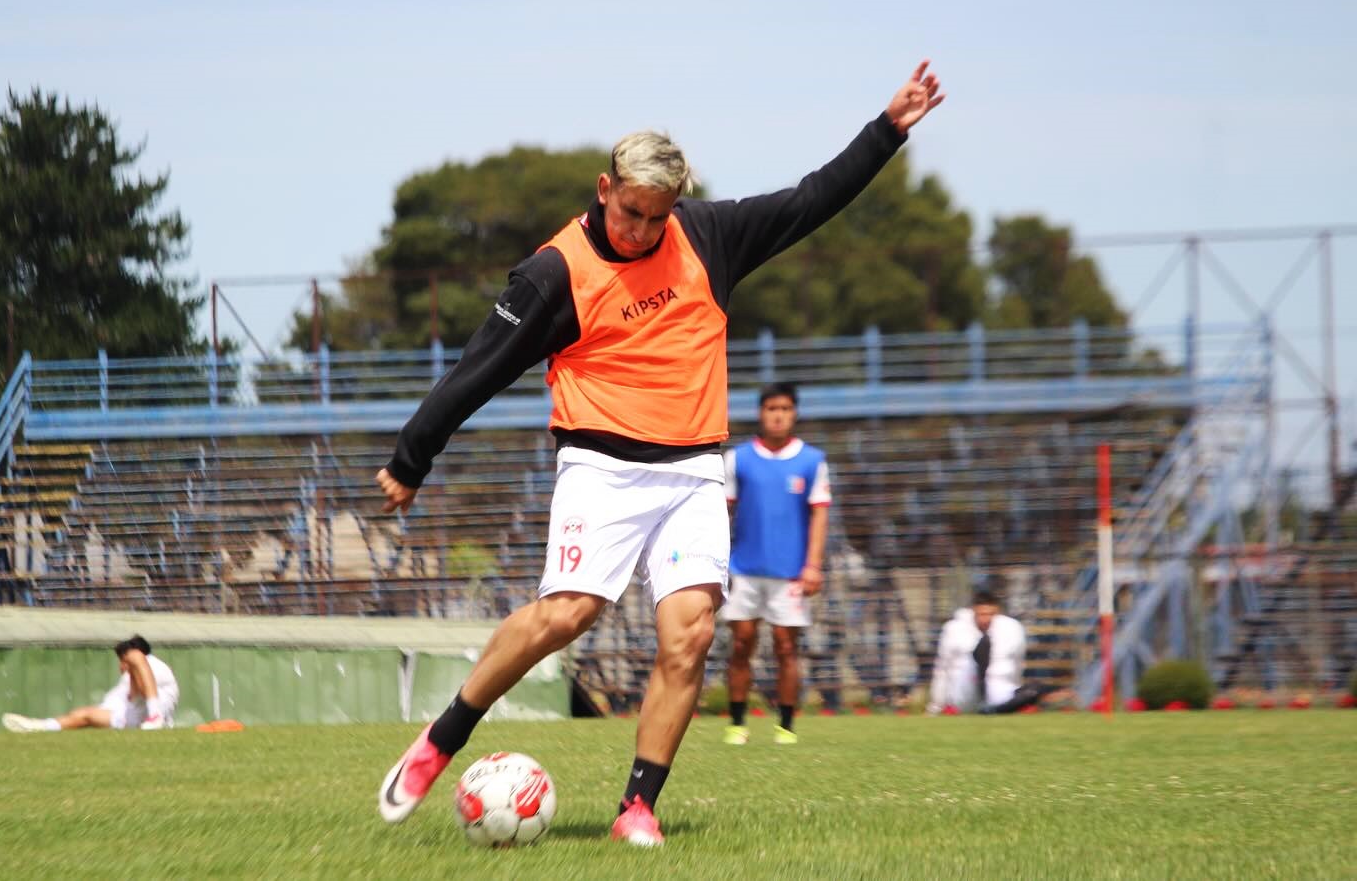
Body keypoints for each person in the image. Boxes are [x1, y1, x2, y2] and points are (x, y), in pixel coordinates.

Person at [375, 61, 945, 847]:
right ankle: (441, 739)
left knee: (691, 633)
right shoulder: (555, 272)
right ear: (605, 187)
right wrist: (413, 456)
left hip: (691, 473)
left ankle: (637, 806)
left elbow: (811, 198)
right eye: (633, 212)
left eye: (658, 217)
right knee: (568, 612)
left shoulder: (707, 235)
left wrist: (886, 131)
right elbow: (478, 367)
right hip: (600, 468)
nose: (643, 231)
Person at [722, 383, 830, 746]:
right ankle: (737, 723)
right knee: (742, 644)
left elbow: (819, 516)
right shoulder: (738, 458)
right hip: (744, 568)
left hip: (790, 573)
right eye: (771, 408)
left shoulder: (812, 460)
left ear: (794, 413)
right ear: (761, 413)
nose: (778, 415)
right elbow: (724, 511)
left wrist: (813, 565)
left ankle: (785, 726)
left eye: (784, 408)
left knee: (786, 647)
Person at [2, 635, 180, 732]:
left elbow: (138, 693)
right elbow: (130, 698)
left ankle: (154, 717)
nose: (120, 665)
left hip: (147, 718)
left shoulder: (150, 663)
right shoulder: (136, 672)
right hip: (132, 718)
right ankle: (39, 726)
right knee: (83, 714)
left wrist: (132, 665)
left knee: (86, 714)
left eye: (122, 659)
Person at [927, 589, 1039, 715]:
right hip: (965, 689)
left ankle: (992, 709)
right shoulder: (954, 629)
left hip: (998, 688)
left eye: (991, 614)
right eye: (982, 614)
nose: (986, 619)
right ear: (973, 611)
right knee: (969, 662)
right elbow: (943, 667)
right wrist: (936, 705)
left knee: (1032, 692)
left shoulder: (1012, 629)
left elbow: (1017, 664)